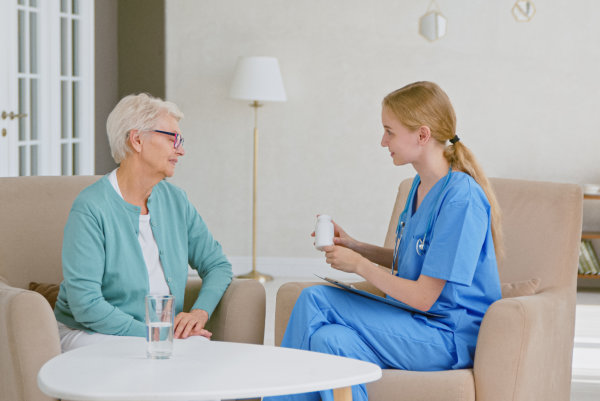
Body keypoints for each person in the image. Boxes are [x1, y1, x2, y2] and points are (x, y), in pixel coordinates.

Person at [264, 81, 502, 401]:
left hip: (447, 337)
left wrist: (359, 266)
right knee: (330, 340)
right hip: (413, 323)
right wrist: (355, 246)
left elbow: (424, 298)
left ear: (422, 134)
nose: (382, 141)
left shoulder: (462, 198)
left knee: (314, 300)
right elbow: (412, 261)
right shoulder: (419, 186)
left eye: (389, 131)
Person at [54, 93, 233, 352]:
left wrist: (199, 314)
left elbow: (217, 265)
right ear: (137, 140)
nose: (180, 149)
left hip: (158, 334)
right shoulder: (91, 207)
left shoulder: (176, 200)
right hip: (88, 332)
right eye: (172, 138)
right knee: (159, 361)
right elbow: (86, 305)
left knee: (200, 357)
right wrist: (157, 334)